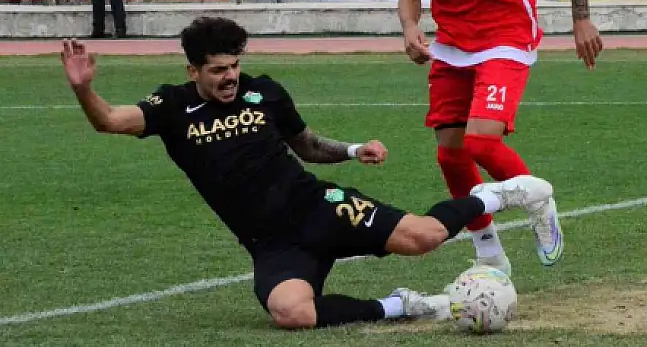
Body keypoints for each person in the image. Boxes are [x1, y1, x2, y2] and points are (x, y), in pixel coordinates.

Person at [58, 17, 556, 330]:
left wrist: (354, 149)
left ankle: (502, 193)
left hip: (320, 207)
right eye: (217, 70)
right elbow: (108, 121)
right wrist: (84, 89)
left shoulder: (265, 92)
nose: (229, 76)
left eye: (234, 65)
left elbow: (308, 145)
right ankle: (404, 307)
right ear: (193, 71)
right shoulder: (170, 105)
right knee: (291, 312)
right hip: (273, 243)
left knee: (424, 236)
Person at [398, 0, 603, 276]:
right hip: (451, 43)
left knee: (481, 143)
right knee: (450, 153)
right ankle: (487, 248)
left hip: (505, 37)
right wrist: (410, 27)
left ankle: (540, 201)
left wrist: (582, 19)